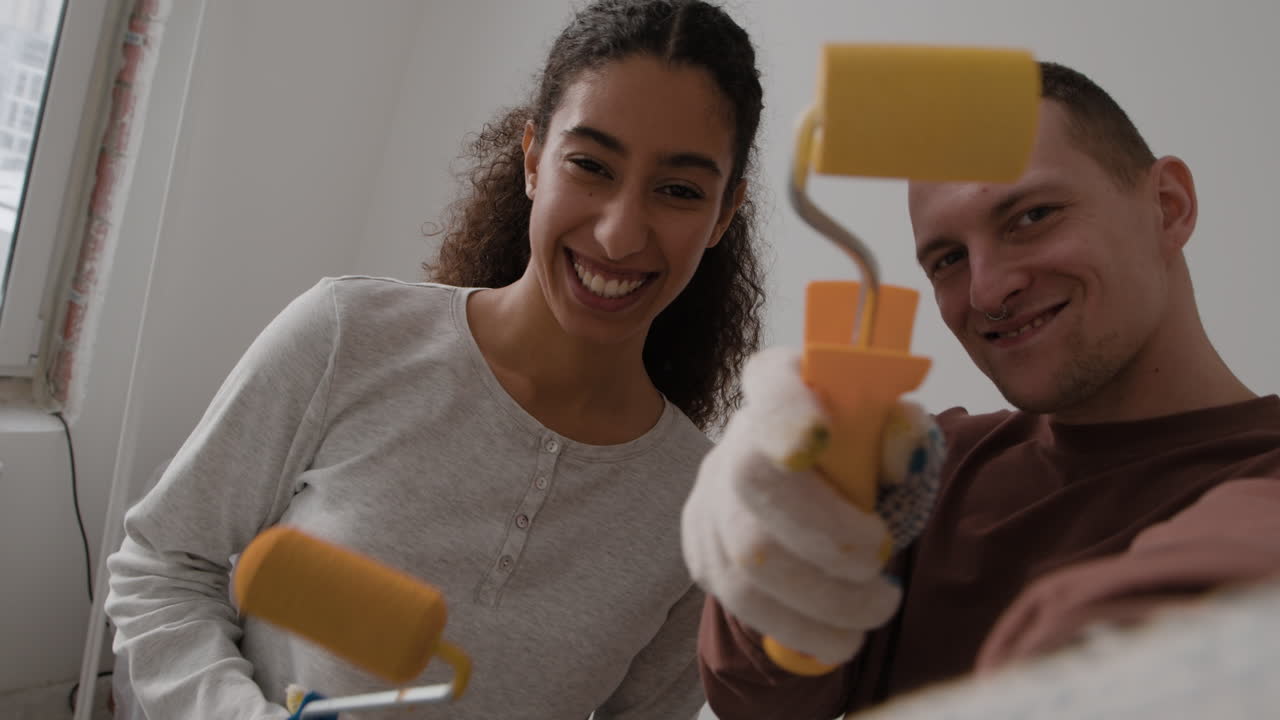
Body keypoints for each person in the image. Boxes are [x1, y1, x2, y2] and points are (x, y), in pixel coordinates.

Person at [104, 1, 766, 718]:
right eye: (591, 165)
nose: (618, 233)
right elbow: (163, 569)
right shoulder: (348, 336)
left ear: (723, 215)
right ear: (534, 159)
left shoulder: (704, 514)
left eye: (678, 191)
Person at [683, 61, 1280, 719]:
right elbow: (763, 702)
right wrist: (762, 551)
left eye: (1032, 216)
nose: (989, 290)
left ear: (1169, 207)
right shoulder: (914, 471)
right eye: (948, 259)